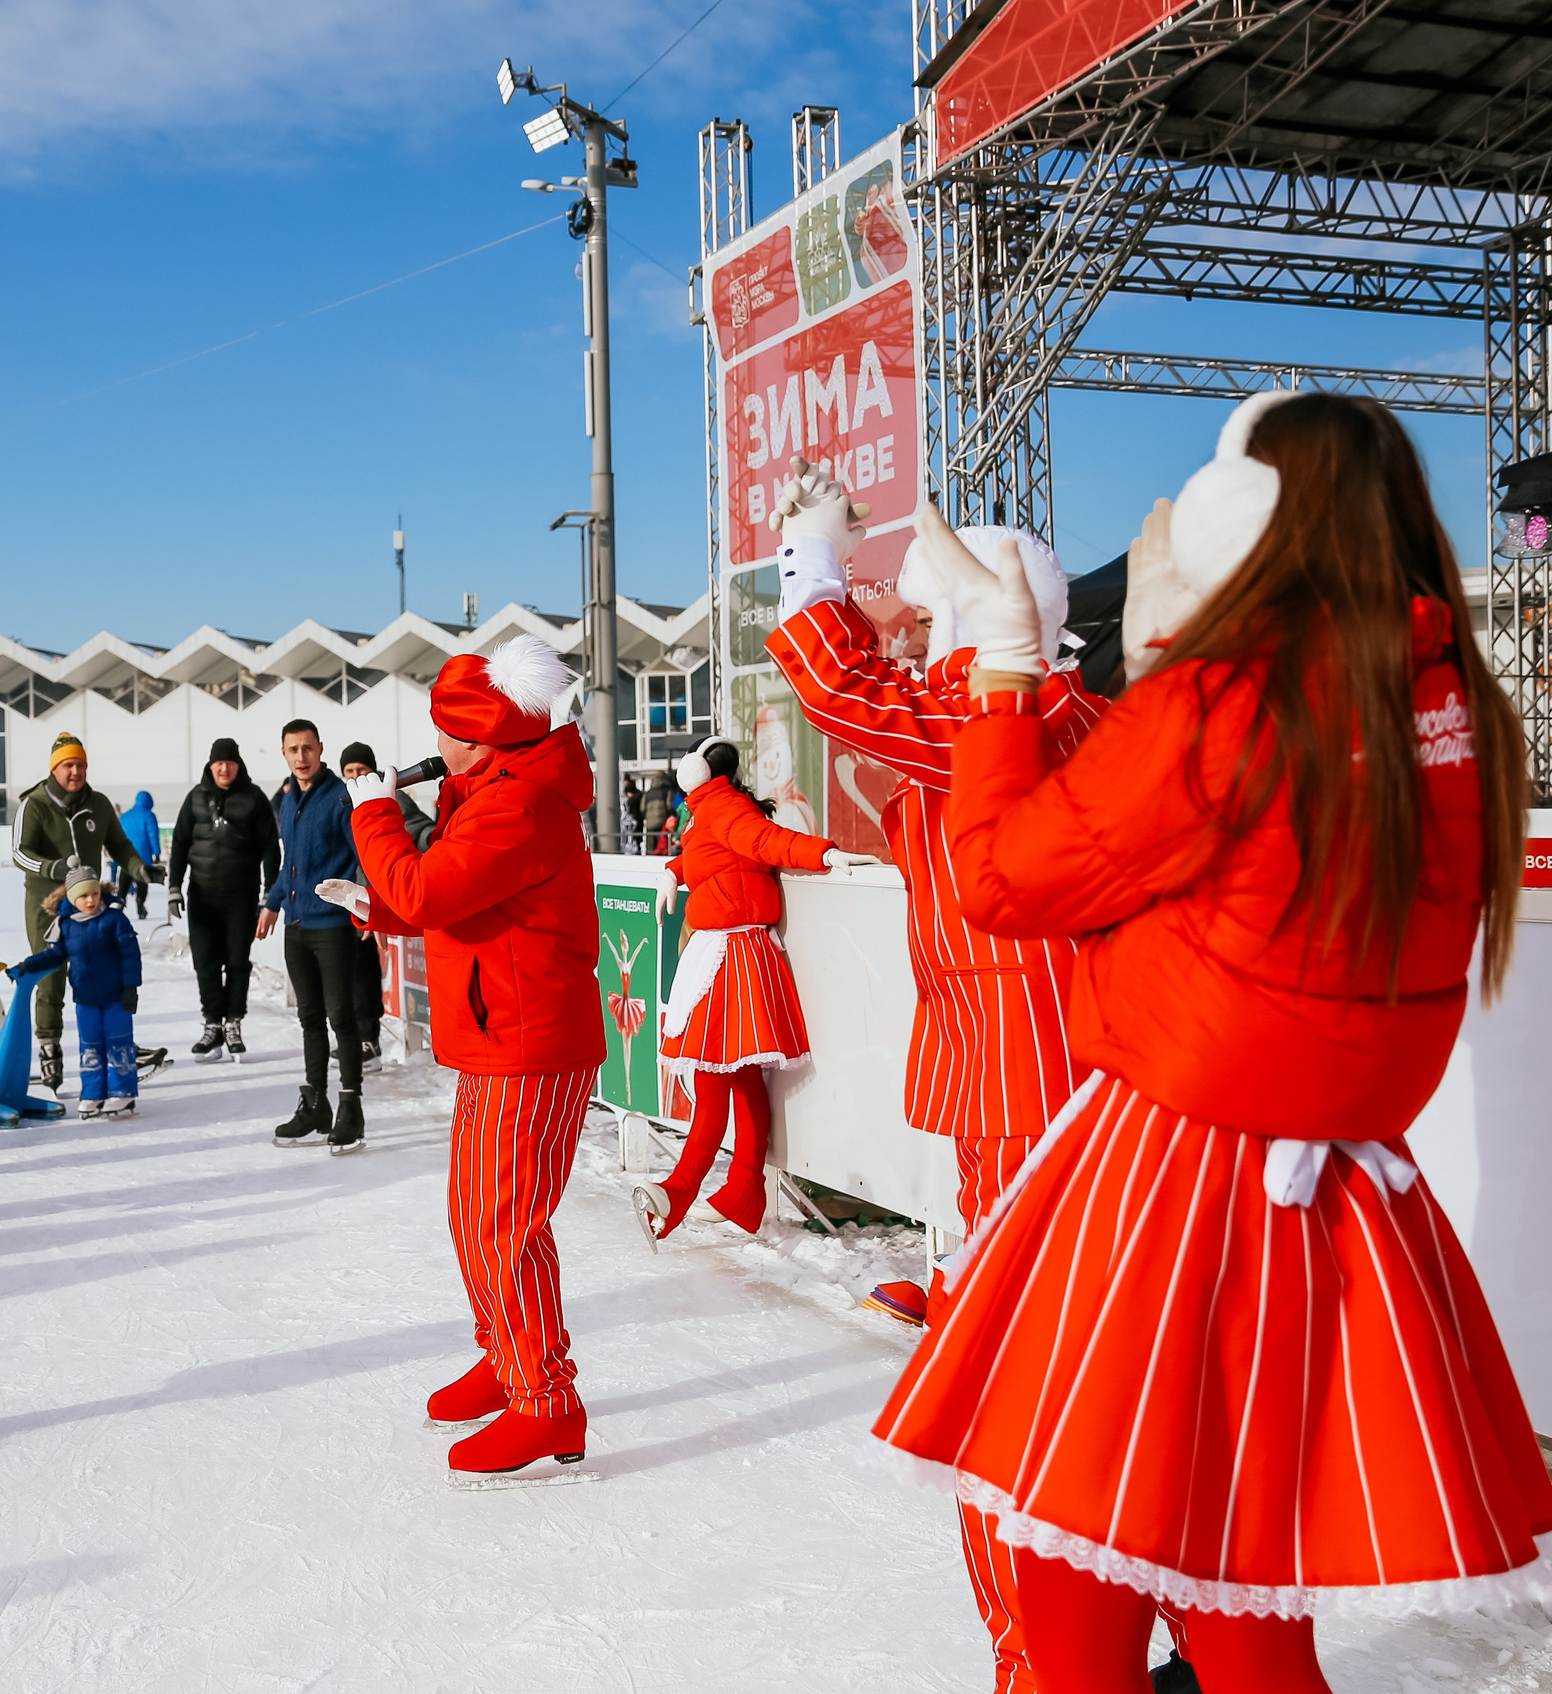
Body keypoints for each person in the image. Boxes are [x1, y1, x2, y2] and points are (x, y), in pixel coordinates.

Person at [875, 393, 1552, 1689]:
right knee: (1242, 1574)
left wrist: (1006, 674)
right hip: (1337, 1183)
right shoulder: (1446, 695)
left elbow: (1007, 878)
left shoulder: (1232, 701)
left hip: (1172, 1173)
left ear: (1251, 518)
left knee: (1077, 1563)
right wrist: (1168, 678)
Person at [766, 464, 1103, 1691]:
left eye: (920, 614)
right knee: (1097, 1375)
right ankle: (1129, 1637)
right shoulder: (1079, 712)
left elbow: (840, 689)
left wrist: (810, 563)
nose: (902, 633)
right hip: (1075, 1069)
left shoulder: (990, 715)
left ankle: (1036, 1659)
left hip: (1020, 1082)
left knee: (1010, 1389)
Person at [339, 635, 605, 1481]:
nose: (435, 745)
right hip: (502, 1037)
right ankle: (507, 1353)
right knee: (475, 1215)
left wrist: (374, 814)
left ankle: (545, 1399)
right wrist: (377, 907)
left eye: (446, 732)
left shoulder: (516, 806)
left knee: (504, 1224)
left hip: (530, 1042)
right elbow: (455, 900)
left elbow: (427, 887)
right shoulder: (490, 795)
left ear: (479, 739)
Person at [631, 737, 868, 1240]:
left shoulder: (722, 809)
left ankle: (680, 1190)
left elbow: (766, 842)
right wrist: (673, 872)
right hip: (725, 951)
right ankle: (742, 1187)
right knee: (738, 1079)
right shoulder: (710, 810)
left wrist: (824, 854)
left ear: (695, 770)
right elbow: (715, 855)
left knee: (715, 1079)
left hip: (732, 954)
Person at [10, 733, 148, 1091]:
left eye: (81, 765)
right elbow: (19, 852)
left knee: (101, 972)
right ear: (55, 768)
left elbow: (119, 845)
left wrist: (140, 869)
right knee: (51, 976)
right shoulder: (34, 804)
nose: (76, 772)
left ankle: (113, 1044)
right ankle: (49, 1046)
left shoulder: (98, 804)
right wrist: (51, 868)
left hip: (89, 902)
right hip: (48, 904)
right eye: (69, 765)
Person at [263, 720, 365, 1150]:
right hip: (296, 924)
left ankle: (351, 1107)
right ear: (284, 753)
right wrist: (272, 902)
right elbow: (290, 860)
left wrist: (367, 908)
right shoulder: (289, 798)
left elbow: (363, 855)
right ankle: (316, 1103)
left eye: (307, 748)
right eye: (293, 750)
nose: (301, 757)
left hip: (332, 924)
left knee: (340, 1015)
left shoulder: (339, 796)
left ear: (321, 749)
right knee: (309, 1018)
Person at [168, 739, 278, 1065]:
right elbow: (179, 844)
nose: (224, 768)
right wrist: (174, 887)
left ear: (238, 765)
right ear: (210, 765)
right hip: (202, 896)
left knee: (237, 962)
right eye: (219, 763)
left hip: (241, 897)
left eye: (230, 762)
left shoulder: (254, 798)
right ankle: (212, 1024)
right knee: (205, 962)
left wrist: (269, 893)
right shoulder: (195, 798)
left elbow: (270, 848)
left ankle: (233, 1023)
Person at [43, 864, 142, 1119]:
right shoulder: (66, 925)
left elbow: (130, 955)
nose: (90, 900)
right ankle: (93, 1093)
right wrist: (29, 966)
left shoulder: (114, 919)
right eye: (83, 896)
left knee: (118, 1043)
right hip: (85, 999)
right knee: (90, 1046)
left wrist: (131, 988)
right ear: (71, 898)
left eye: (94, 893)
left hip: (116, 997)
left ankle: (122, 1092)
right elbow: (55, 955)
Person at [334, 744, 409, 1069]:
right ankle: (353, 1038)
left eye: (361, 770)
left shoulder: (388, 797)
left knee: (364, 974)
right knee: (345, 976)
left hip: (374, 898)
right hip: (345, 899)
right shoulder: (342, 801)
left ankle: (369, 1040)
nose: (355, 776)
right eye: (349, 772)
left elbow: (381, 854)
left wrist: (378, 903)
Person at [117, 790, 161, 918]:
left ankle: (119, 903)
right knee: (142, 882)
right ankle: (140, 903)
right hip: (143, 856)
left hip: (127, 856)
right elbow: (153, 835)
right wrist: (156, 852)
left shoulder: (125, 816)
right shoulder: (149, 816)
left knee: (124, 882)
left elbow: (118, 836)